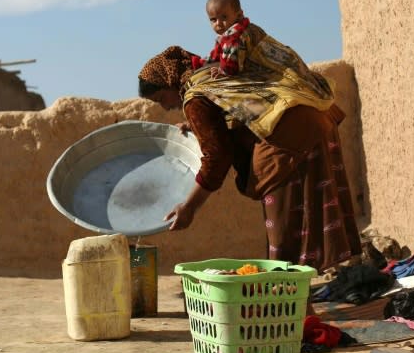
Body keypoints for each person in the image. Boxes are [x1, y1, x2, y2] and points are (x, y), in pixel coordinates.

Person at [137, 43, 362, 273]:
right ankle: (298, 296)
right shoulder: (211, 72)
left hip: (291, 137)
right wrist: (198, 127)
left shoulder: (194, 98)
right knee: (304, 222)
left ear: (170, 81)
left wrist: (190, 207)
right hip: (317, 117)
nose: (165, 107)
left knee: (284, 230)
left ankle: (288, 300)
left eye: (161, 98)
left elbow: (217, 157)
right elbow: (246, 109)